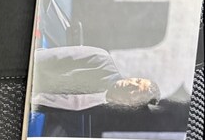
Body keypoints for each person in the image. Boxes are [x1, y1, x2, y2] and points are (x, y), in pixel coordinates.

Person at [32, 46, 160, 111]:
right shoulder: (101, 59)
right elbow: (50, 57)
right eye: (137, 81)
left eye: (137, 91)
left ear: (133, 104)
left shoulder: (98, 109)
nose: (131, 84)